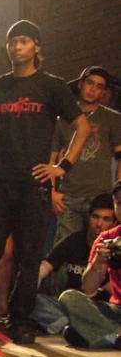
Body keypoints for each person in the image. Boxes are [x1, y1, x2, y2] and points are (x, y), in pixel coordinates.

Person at [0, 19, 90, 345]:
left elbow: (83, 127)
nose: (16, 47)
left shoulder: (51, 86)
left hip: (33, 187)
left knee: (29, 257)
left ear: (36, 46)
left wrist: (62, 167)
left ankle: (21, 321)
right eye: (12, 42)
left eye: (23, 41)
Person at [51, 66, 121, 245]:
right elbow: (50, 159)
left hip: (100, 196)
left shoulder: (112, 119)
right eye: (90, 83)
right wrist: (52, 192)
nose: (93, 89)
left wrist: (117, 195)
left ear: (104, 91)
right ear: (80, 84)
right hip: (68, 198)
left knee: (102, 250)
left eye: (99, 86)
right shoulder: (62, 119)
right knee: (64, 253)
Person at [32, 193, 115, 334]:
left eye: (106, 219)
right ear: (88, 218)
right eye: (95, 217)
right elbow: (44, 267)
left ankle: (76, 327)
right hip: (66, 306)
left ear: (114, 223)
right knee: (31, 300)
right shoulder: (75, 240)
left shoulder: (116, 247)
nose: (99, 224)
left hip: (99, 308)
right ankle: (75, 327)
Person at [59, 181, 121, 348]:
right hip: (116, 310)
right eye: (119, 202)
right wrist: (99, 261)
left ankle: (105, 336)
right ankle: (114, 337)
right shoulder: (105, 239)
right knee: (69, 298)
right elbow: (88, 289)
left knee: (75, 333)